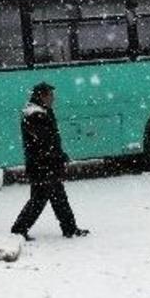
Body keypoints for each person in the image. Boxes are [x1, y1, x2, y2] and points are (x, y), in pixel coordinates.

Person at [10, 82, 89, 241]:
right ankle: (18, 230)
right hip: (43, 165)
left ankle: (69, 228)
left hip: (45, 164)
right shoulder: (35, 115)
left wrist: (59, 154)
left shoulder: (40, 112)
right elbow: (44, 142)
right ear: (42, 96)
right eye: (50, 95)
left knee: (58, 197)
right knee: (39, 200)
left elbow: (48, 140)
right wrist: (57, 155)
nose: (53, 98)